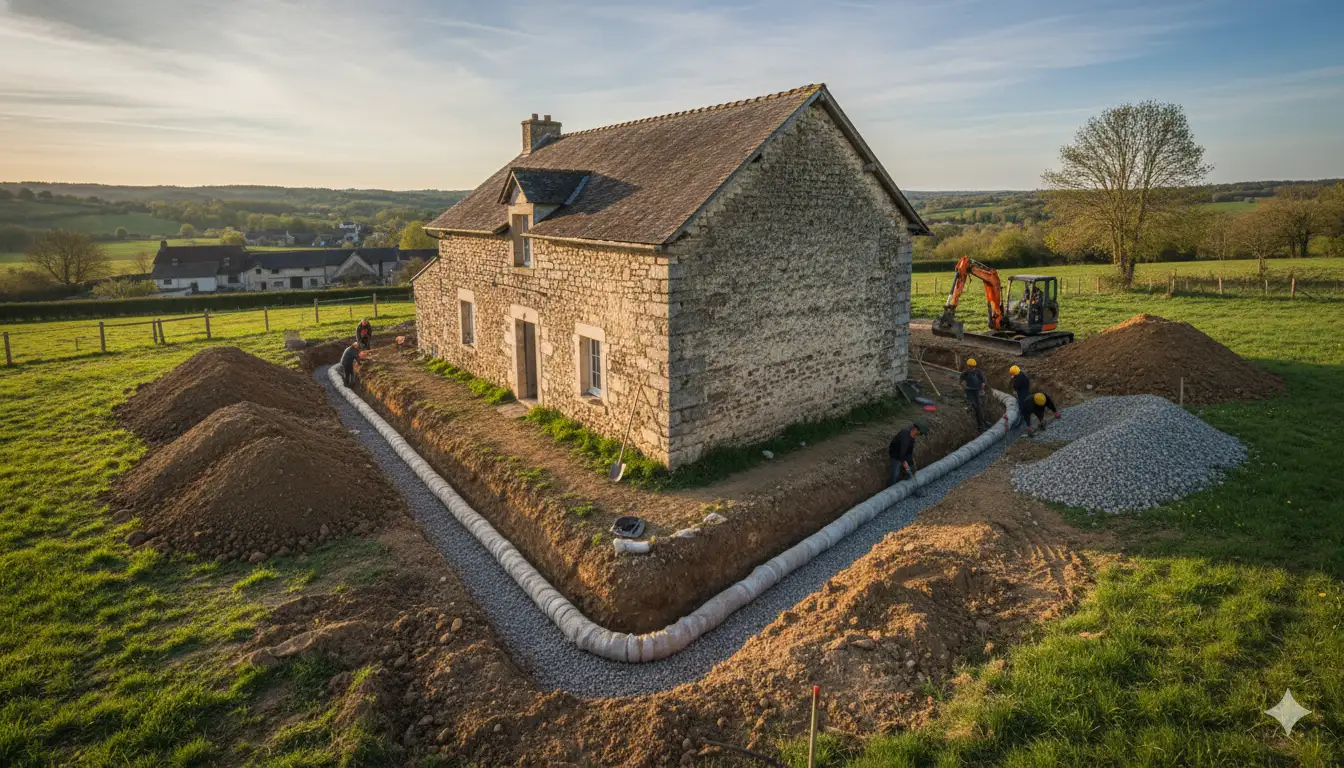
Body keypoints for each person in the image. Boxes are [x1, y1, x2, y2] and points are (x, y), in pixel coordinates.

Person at [889, 422, 928, 495]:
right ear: (916, 430)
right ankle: (891, 491)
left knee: (911, 469)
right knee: (895, 473)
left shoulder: (912, 438)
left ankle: (910, 486)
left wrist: (911, 464)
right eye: (919, 433)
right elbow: (902, 451)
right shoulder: (905, 436)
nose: (919, 435)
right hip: (895, 453)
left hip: (903, 454)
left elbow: (909, 452)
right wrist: (904, 462)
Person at [959, 358, 987, 430]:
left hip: (977, 391)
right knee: (974, 405)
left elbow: (983, 380)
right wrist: (963, 385)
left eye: (973, 366)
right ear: (968, 366)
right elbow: (961, 380)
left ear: (975, 366)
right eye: (970, 366)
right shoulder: (965, 373)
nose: (971, 368)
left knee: (979, 407)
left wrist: (983, 385)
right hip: (969, 391)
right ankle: (981, 423)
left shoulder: (978, 372)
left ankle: (982, 424)